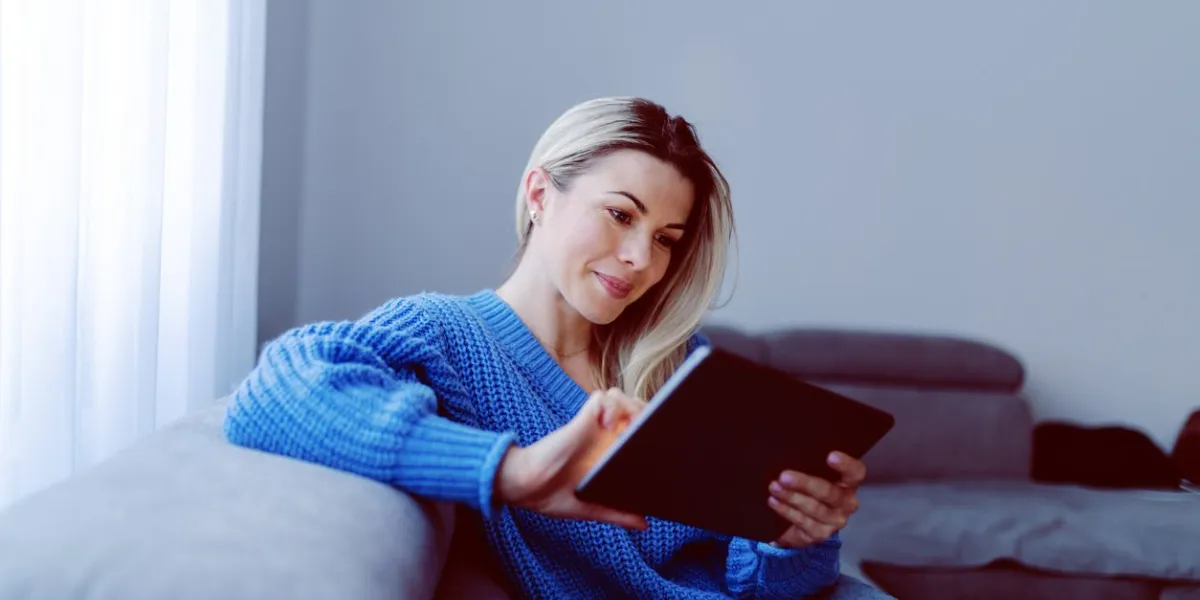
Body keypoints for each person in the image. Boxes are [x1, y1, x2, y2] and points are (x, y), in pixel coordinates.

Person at [224, 96, 894, 599]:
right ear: (540, 194)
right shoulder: (447, 335)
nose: (640, 259)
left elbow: (760, 585)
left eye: (665, 238)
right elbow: (277, 389)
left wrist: (794, 537)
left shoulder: (677, 364)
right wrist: (509, 471)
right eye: (621, 214)